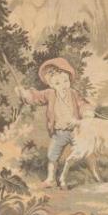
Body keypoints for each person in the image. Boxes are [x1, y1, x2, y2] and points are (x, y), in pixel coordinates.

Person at [18, 57, 90, 187]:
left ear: (70, 79)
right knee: (52, 155)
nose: (63, 85)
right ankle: (51, 178)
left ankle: (93, 173)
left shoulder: (73, 93)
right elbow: (36, 97)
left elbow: (83, 104)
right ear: (51, 84)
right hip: (59, 131)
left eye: (65, 81)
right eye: (57, 83)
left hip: (76, 131)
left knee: (85, 150)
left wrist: (87, 112)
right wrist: (26, 94)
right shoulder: (50, 93)